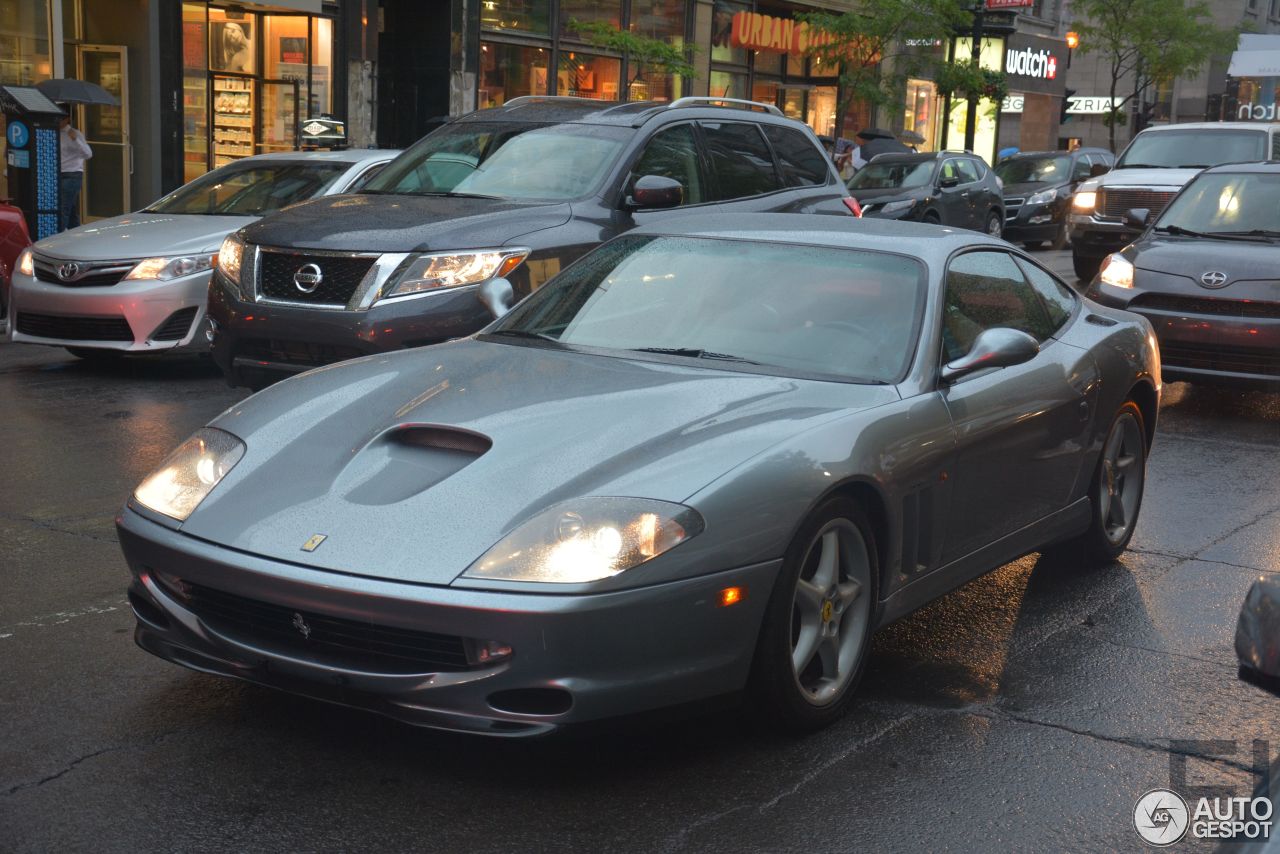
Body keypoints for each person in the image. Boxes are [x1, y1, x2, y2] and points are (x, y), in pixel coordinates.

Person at [58, 112, 92, 233]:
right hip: (56, 174)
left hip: (71, 175)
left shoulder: (74, 133)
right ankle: (77, 235)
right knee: (70, 209)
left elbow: (88, 154)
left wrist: (75, 139)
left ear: (67, 119)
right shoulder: (51, 132)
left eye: (59, 118)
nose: (56, 121)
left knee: (63, 209)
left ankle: (56, 239)